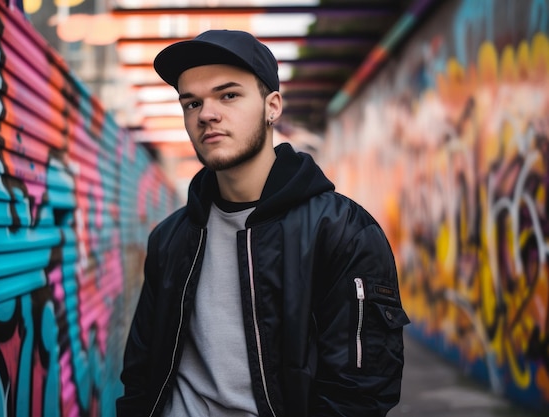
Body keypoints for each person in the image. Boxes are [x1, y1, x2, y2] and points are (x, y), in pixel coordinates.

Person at [117, 29, 410, 417]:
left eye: (228, 95)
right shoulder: (171, 239)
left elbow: (359, 393)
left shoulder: (342, 232)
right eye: (191, 103)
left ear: (272, 107)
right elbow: (140, 373)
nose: (206, 114)